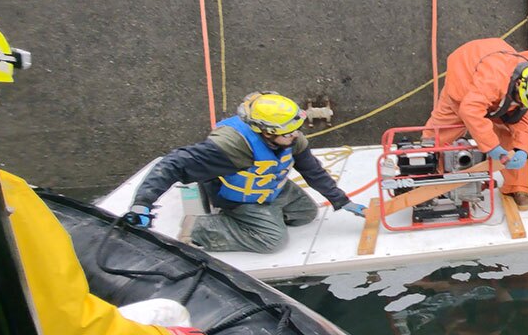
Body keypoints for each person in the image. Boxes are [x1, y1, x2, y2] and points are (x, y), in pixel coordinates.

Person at [0, 19, 214, 335]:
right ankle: (206, 231)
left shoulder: (283, 145)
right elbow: (62, 330)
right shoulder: (4, 198)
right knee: (171, 321)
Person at [125, 91, 367, 253]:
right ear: (266, 131)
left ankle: (267, 214)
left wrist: (341, 201)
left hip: (271, 187)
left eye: (297, 128)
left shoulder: (291, 137)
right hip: (239, 197)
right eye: (288, 132)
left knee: (306, 213)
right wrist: (142, 203)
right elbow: (172, 164)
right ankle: (198, 227)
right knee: (273, 241)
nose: (295, 135)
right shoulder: (230, 146)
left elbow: (312, 171)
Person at [424, 38, 528, 211]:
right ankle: (427, 178)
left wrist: (521, 149)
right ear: (518, 84)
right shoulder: (494, 78)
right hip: (464, 77)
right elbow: (469, 109)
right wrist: (492, 147)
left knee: (510, 134)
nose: (524, 107)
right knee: (438, 134)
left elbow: (524, 123)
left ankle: (517, 187)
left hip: (498, 89)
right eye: (521, 102)